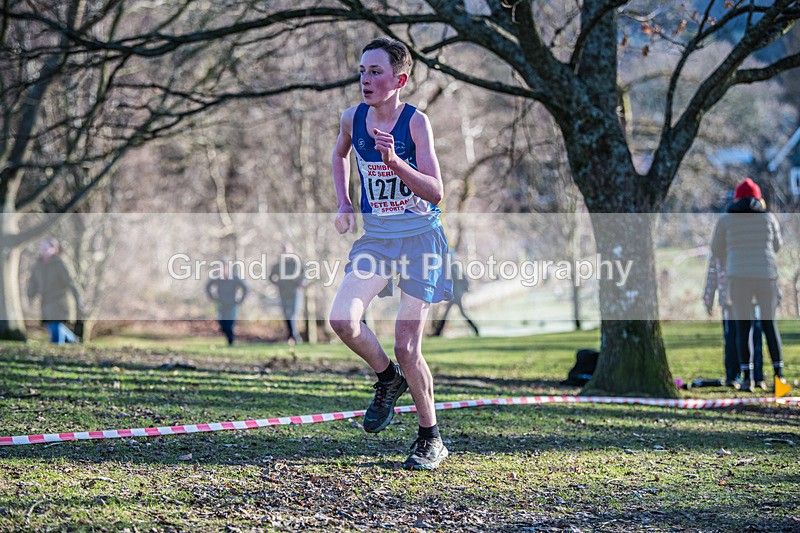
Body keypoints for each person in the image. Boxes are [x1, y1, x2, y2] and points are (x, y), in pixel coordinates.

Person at [329, 37, 453, 470]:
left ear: (398, 79)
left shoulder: (417, 123)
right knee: (343, 319)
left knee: (407, 345)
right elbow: (339, 154)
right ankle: (387, 379)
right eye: (362, 70)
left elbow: (437, 192)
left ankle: (430, 437)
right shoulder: (352, 118)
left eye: (375, 72)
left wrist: (395, 161)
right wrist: (345, 203)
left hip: (420, 239)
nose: (365, 79)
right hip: (378, 238)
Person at [711, 178, 785, 393]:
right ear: (758, 198)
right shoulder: (769, 218)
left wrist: (734, 253)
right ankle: (779, 379)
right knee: (769, 325)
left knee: (743, 327)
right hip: (766, 276)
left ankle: (747, 379)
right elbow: (777, 246)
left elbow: (716, 250)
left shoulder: (726, 220)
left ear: (736, 199)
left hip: (739, 276)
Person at [702, 255, 765, 390]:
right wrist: (708, 297)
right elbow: (712, 272)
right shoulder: (719, 248)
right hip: (729, 298)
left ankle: (756, 376)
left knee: (754, 337)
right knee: (733, 337)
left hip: (750, 297)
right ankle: (734, 376)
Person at [27, 238, 82, 344]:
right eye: (41, 247)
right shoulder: (38, 265)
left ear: (54, 249)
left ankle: (56, 350)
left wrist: (78, 297)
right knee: (51, 326)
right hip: (45, 301)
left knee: (55, 325)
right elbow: (33, 282)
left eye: (46, 247)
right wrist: (30, 296)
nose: (43, 250)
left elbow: (70, 282)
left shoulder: (60, 264)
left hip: (59, 300)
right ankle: (73, 340)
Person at [432, 253, 479, 337]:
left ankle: (475, 329)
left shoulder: (453, 269)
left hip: (455, 296)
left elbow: (463, 281)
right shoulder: (453, 268)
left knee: (458, 313)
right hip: (454, 295)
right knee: (447, 314)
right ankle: (438, 333)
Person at [205, 261, 248, 345]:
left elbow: (245, 287)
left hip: (232, 304)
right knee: (222, 324)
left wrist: (241, 299)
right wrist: (212, 297)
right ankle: (229, 338)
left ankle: (231, 341)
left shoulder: (235, 278)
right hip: (221, 304)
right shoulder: (217, 278)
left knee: (229, 324)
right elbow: (207, 286)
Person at [269, 249, 305, 344]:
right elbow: (271, 277)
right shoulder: (278, 265)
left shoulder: (297, 263)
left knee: (292, 314)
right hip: (283, 292)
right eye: (283, 251)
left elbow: (305, 274)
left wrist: (301, 282)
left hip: (295, 292)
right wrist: (278, 283)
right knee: (286, 314)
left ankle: (293, 337)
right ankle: (294, 336)